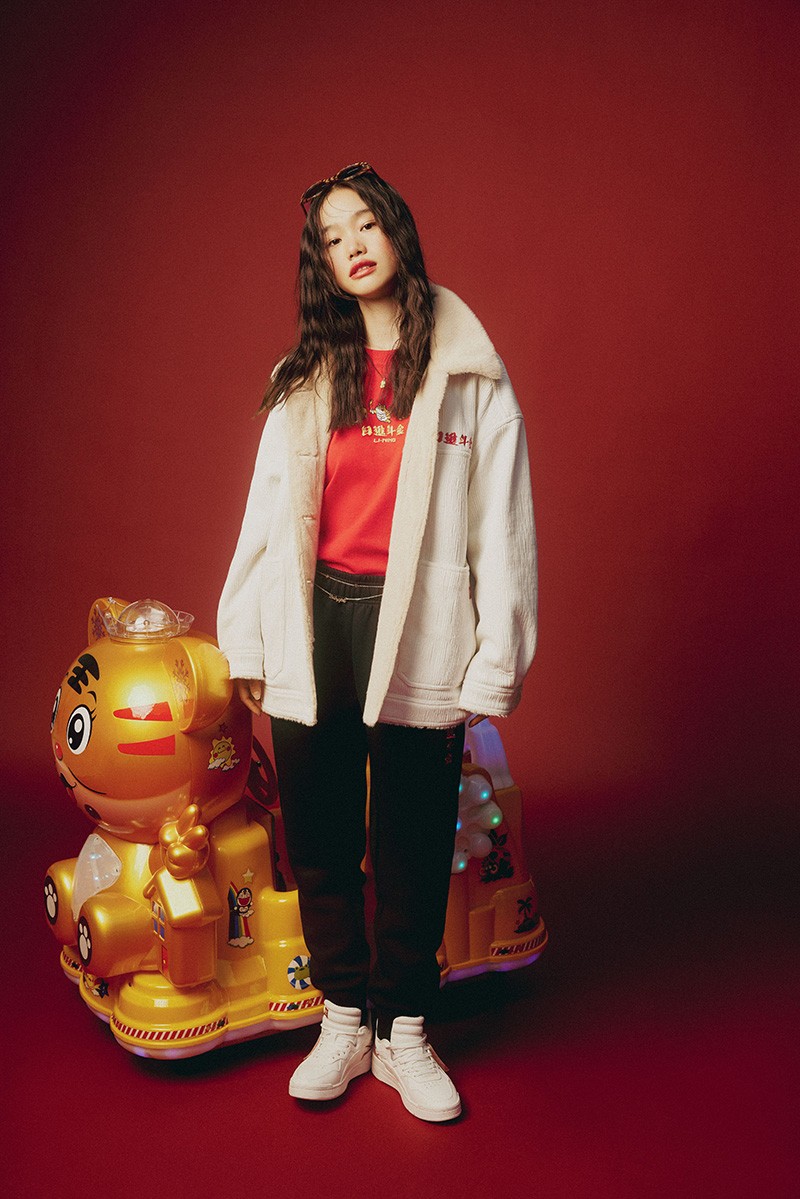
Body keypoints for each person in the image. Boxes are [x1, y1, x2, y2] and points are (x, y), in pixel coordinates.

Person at [217, 162, 537, 1123]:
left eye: (365, 224)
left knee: (412, 837)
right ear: (321, 262)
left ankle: (404, 1029)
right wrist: (248, 636)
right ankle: (345, 1015)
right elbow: (265, 518)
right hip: (316, 616)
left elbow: (502, 527)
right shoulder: (307, 376)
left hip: (420, 624)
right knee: (318, 836)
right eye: (332, 237)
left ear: (397, 228)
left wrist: (497, 654)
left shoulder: (469, 372)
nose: (352, 246)